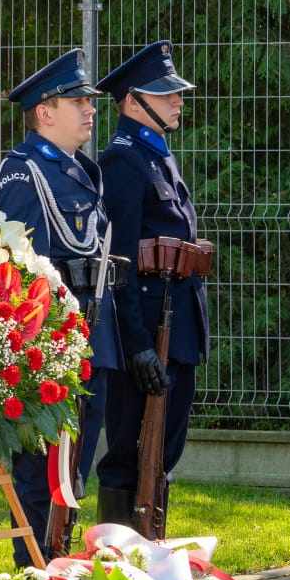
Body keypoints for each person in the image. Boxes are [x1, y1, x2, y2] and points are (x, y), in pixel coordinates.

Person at [0, 49, 124, 566]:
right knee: (42, 469)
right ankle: (34, 574)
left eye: (89, 102)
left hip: (94, 332)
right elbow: (22, 266)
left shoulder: (83, 171)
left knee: (75, 470)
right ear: (45, 111)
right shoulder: (22, 172)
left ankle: (62, 565)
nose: (90, 111)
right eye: (77, 102)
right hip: (51, 342)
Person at [93, 40, 210, 527]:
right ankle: (120, 561)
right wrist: (137, 345)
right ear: (132, 102)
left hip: (175, 329)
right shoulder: (124, 161)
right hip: (144, 336)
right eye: (165, 96)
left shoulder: (158, 156)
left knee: (164, 449)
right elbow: (117, 261)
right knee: (128, 451)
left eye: (176, 94)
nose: (178, 101)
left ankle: (151, 550)